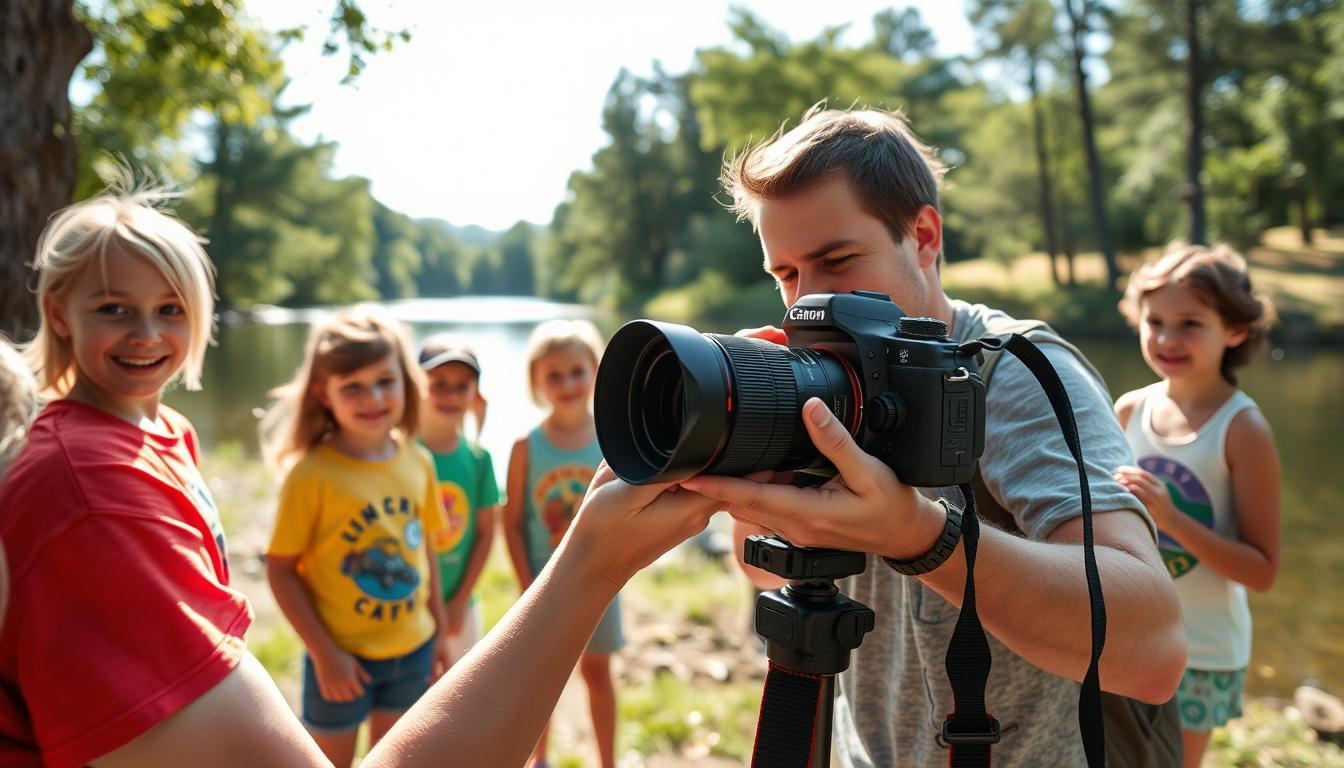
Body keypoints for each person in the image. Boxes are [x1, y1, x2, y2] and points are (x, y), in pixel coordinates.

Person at [0, 185, 720, 767]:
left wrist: (446, 619)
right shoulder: (93, 495)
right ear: (58, 312)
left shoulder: (161, 433)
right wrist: (592, 562)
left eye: (170, 310)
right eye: (114, 309)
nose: (147, 334)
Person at [679, 105, 1187, 767]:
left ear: (922, 236)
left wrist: (919, 536)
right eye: (787, 275)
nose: (808, 301)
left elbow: (1154, 651)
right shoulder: (818, 379)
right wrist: (755, 458)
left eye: (835, 260)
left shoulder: (1013, 374)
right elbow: (755, 565)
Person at [261, 306, 454, 767]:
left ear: (405, 382)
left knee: (393, 760)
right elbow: (281, 571)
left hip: (413, 650)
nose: (373, 397)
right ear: (323, 394)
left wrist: (441, 632)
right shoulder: (313, 475)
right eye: (352, 387)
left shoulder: (419, 461)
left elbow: (425, 551)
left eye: (385, 381)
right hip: (342, 659)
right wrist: (324, 653)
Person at [1112, 244, 1280, 768]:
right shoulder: (1130, 409)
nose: (1166, 338)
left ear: (1235, 331)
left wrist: (1173, 521)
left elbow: (1262, 571)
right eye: (1154, 320)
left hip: (1201, 654)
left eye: (1190, 323)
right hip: (1126, 635)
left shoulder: (1242, 429)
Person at [502, 318, 622, 768]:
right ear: (536, 380)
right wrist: (525, 582)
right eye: (554, 375)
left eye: (577, 371)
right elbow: (511, 521)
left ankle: (607, 760)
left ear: (595, 371)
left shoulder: (614, 438)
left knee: (598, 673)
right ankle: (540, 758)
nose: (567, 383)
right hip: (544, 581)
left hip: (601, 576)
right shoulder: (524, 447)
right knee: (540, 679)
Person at [416, 334, 499, 666]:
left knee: (459, 695)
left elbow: (486, 533)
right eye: (438, 384)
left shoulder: (479, 459)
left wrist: (459, 600)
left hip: (460, 604)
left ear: (474, 395)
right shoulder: (401, 455)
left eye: (461, 386)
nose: (450, 395)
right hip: (408, 607)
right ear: (416, 386)